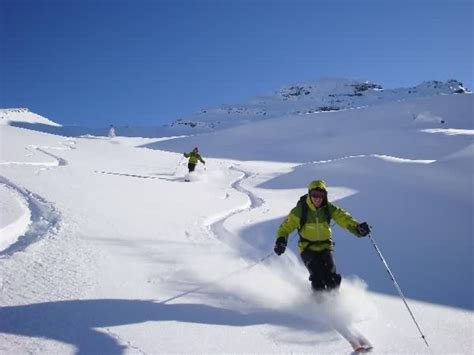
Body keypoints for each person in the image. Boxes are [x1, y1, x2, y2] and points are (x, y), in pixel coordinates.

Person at [274, 179, 370, 293]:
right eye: (314, 195)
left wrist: (357, 228)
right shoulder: (300, 210)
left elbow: (344, 218)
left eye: (321, 195)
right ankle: (317, 307)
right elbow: (285, 227)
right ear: (310, 194)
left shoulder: (328, 208)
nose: (317, 198)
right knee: (318, 278)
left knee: (332, 278)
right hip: (307, 248)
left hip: (325, 248)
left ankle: (334, 304)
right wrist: (281, 240)